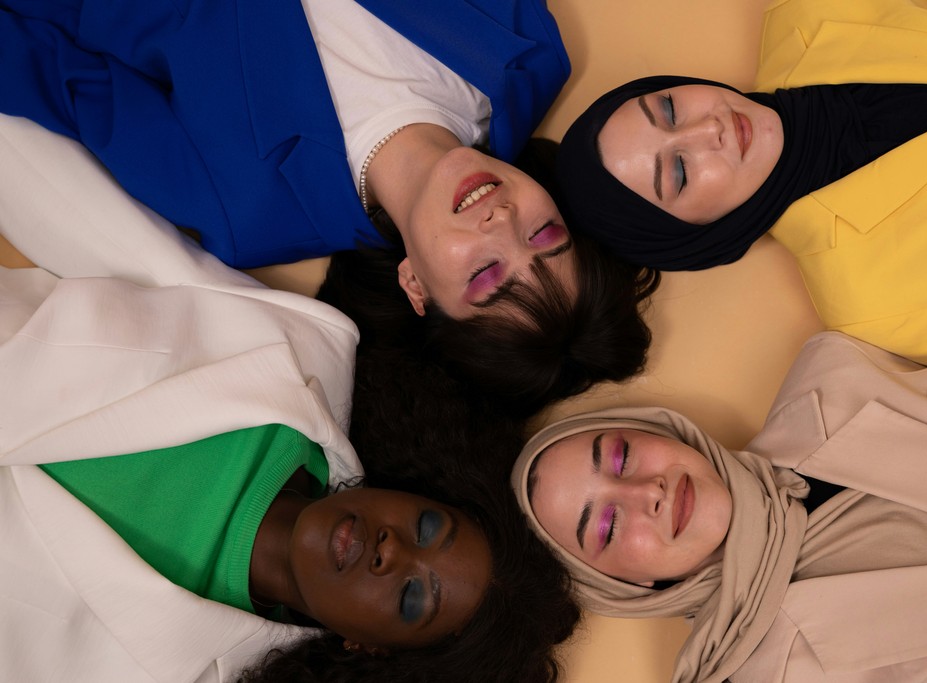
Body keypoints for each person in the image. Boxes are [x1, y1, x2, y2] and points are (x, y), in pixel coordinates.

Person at [0, 114, 580, 682]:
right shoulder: (306, 350)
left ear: (371, 649)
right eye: (428, 527)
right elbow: (83, 221)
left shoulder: (179, 667)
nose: (392, 551)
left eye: (410, 599)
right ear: (420, 493)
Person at [0, 0, 660, 414]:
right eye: (545, 235)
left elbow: (60, 74)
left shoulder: (247, 209)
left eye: (488, 275)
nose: (504, 223)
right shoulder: (527, 53)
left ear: (415, 287)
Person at [512, 331, 927, 682]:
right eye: (606, 526)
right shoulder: (760, 671)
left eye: (622, 455)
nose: (647, 491)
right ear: (625, 587)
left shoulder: (833, 378)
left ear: (654, 428)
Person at [553, 0, 927, 371]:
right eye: (678, 172)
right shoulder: (869, 304)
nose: (707, 129)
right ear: (700, 235)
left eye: (670, 109)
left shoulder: (804, 13)